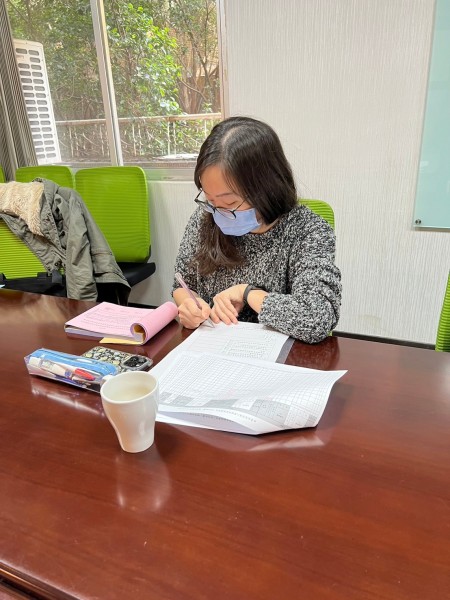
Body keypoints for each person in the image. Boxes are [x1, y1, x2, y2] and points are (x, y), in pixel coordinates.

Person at [172, 116, 341, 343]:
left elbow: (317, 319)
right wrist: (189, 305)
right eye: (210, 200)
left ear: (266, 188)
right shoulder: (206, 217)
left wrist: (248, 293)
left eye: (229, 203)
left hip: (278, 355)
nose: (217, 212)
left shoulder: (308, 231)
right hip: (213, 347)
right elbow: (182, 284)